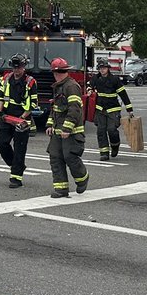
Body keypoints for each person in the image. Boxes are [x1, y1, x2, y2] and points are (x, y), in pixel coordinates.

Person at [0, 53, 38, 189]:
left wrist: (23, 117)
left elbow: (33, 104)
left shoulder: (30, 82)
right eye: (14, 67)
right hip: (7, 117)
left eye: (19, 67)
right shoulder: (6, 79)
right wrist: (0, 112)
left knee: (20, 148)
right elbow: (1, 97)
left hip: (22, 119)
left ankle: (16, 177)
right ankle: (16, 164)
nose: (16, 70)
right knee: (1, 143)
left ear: (24, 67)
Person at [45, 57, 88, 197]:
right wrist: (50, 124)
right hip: (58, 132)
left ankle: (82, 179)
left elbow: (75, 109)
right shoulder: (58, 86)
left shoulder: (71, 86)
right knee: (55, 157)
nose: (57, 75)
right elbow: (55, 108)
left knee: (70, 157)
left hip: (72, 132)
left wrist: (67, 128)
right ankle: (61, 189)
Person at [88, 58, 133, 159]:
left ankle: (115, 146)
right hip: (100, 110)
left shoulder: (114, 80)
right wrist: (90, 90)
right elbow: (89, 85)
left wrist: (129, 109)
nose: (102, 70)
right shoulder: (96, 78)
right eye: (100, 68)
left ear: (108, 68)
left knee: (112, 130)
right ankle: (104, 153)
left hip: (113, 109)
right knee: (101, 131)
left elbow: (123, 94)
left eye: (104, 68)